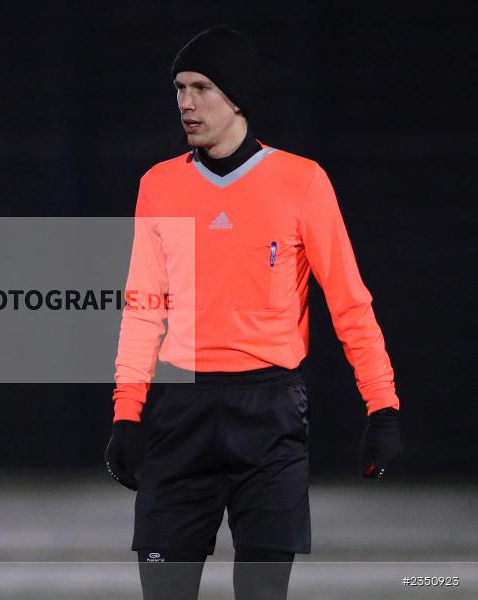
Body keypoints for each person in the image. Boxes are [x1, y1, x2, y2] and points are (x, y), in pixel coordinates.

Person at [104, 25, 403, 600]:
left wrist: (382, 408)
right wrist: (127, 414)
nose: (186, 102)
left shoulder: (301, 182)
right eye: (179, 88)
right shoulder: (159, 186)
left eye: (202, 88)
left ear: (237, 97)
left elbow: (349, 302)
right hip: (181, 413)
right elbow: (142, 308)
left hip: (270, 414)